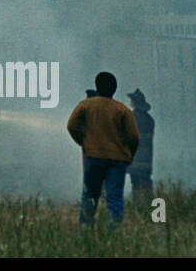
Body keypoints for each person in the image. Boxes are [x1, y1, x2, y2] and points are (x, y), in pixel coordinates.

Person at [66, 71, 139, 228]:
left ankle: (86, 227)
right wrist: (129, 154)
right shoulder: (122, 109)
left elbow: (71, 126)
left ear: (97, 86)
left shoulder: (85, 105)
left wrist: (84, 142)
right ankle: (115, 228)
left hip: (94, 156)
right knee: (115, 197)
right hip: (118, 159)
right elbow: (134, 136)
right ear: (114, 89)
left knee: (90, 195)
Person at [125, 89, 154, 198]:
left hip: (134, 158)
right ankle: (148, 203)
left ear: (134, 103)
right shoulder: (150, 119)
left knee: (135, 183)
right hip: (147, 158)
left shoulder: (130, 117)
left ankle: (136, 204)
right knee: (146, 181)